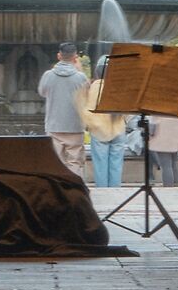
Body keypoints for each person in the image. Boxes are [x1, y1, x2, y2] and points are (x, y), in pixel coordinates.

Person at [38, 42, 91, 178]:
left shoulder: (48, 75)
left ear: (59, 56)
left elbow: (42, 92)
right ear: (75, 57)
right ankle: (75, 192)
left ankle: (58, 192)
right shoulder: (80, 77)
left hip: (54, 125)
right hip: (75, 126)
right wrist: (80, 70)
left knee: (55, 163)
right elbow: (87, 96)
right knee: (74, 161)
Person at [81, 58, 128, 188]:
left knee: (100, 164)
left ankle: (103, 192)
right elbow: (127, 110)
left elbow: (88, 110)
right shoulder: (119, 86)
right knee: (117, 163)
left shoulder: (94, 87)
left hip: (100, 131)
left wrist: (89, 125)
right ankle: (115, 190)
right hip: (118, 129)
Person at [146, 110, 178, 187]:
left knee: (166, 165)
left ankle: (168, 188)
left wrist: (150, 133)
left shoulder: (161, 105)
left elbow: (153, 122)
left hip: (161, 136)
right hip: (175, 135)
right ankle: (177, 187)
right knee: (174, 163)